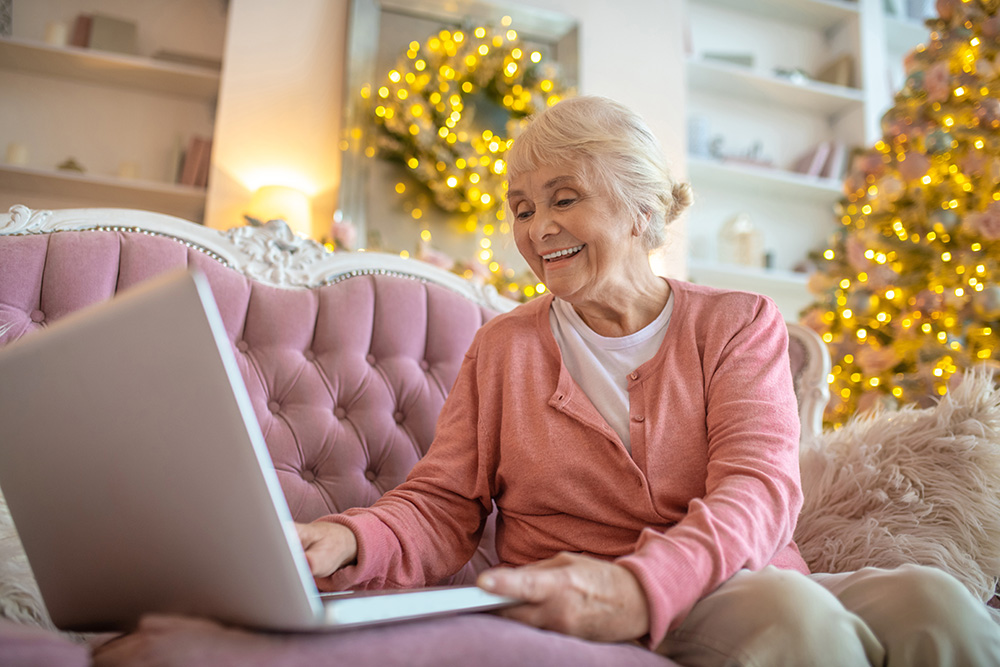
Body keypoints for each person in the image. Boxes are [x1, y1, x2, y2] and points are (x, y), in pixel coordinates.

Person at [296, 96, 1000, 665]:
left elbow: (760, 488)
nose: (538, 227)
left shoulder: (737, 322)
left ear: (641, 210)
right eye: (522, 207)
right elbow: (444, 503)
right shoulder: (502, 348)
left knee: (932, 601)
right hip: (589, 593)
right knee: (791, 619)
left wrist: (643, 582)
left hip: (734, 569)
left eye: (562, 198)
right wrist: (354, 538)